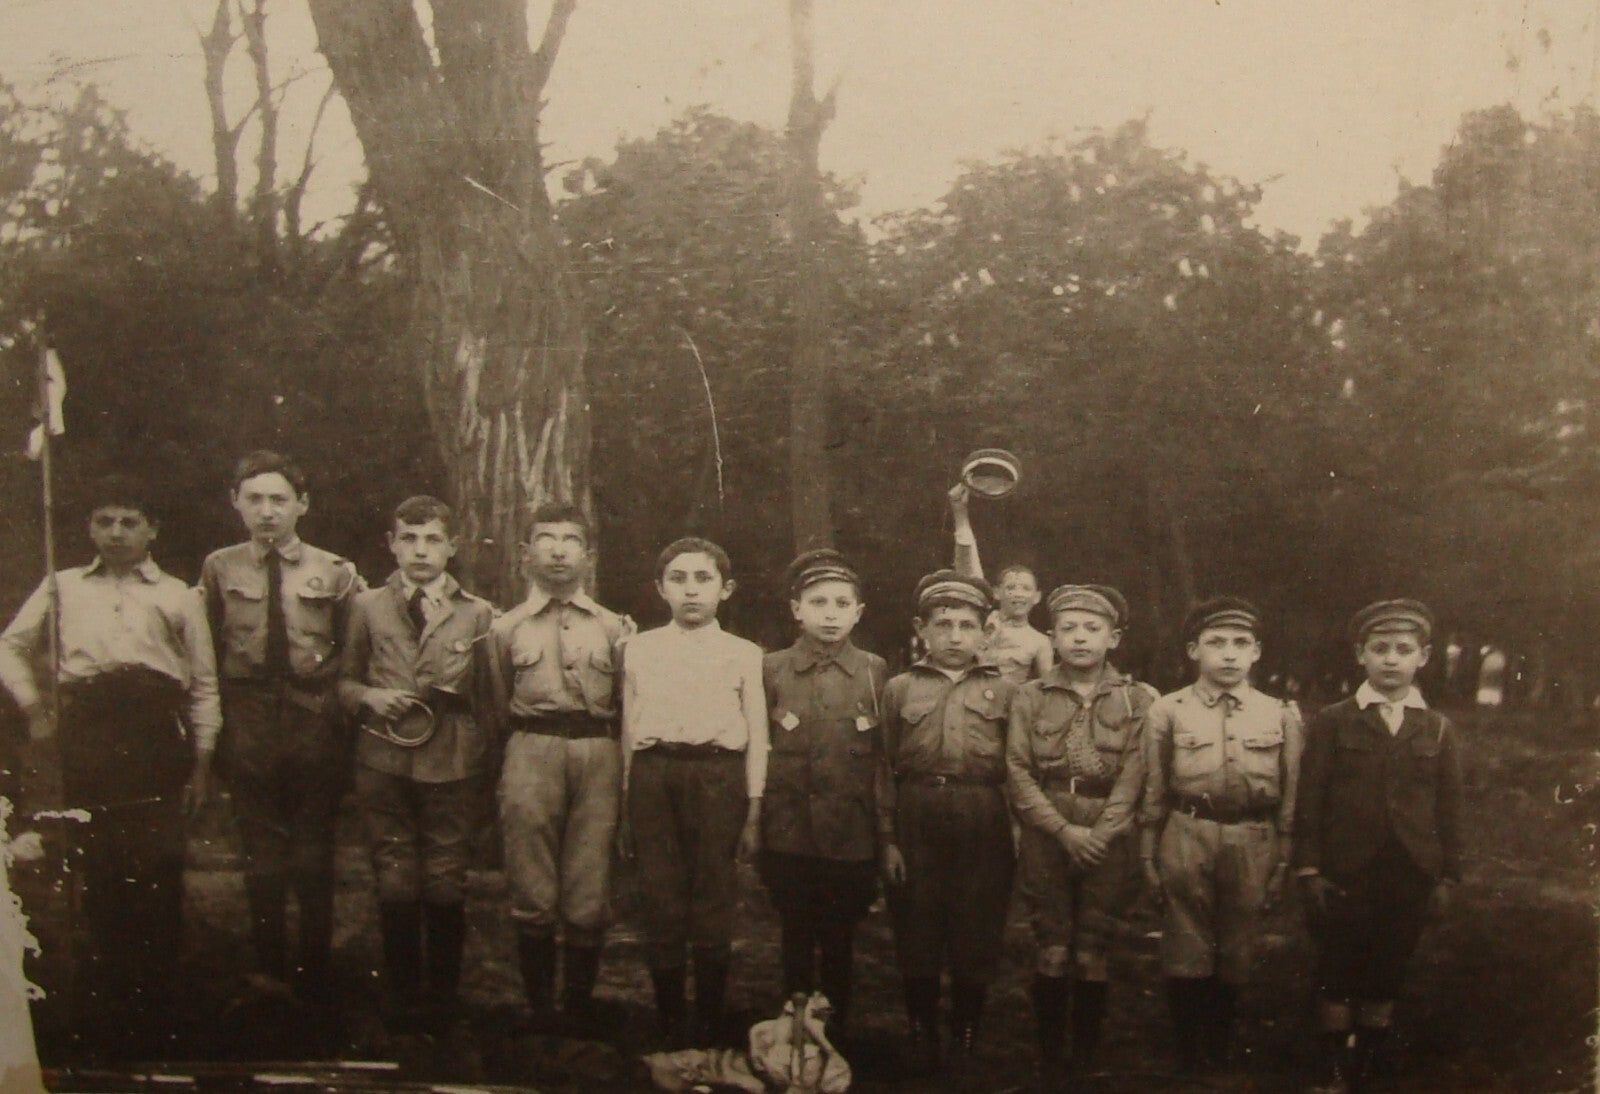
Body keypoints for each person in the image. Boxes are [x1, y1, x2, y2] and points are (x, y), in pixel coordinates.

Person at [0, 477, 220, 1053]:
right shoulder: (62, 585)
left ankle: (157, 1014)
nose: (116, 533)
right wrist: (33, 707)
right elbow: (9, 645)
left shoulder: (178, 595)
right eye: (104, 521)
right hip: (90, 740)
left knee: (156, 875)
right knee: (96, 874)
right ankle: (100, 1015)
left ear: (152, 530)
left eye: (129, 521)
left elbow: (203, 686)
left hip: (154, 742)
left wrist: (201, 763)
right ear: (89, 528)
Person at [200, 450, 363, 1000]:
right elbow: (208, 646)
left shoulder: (335, 570)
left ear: (302, 505)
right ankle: (270, 973)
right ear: (235, 503)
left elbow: (354, 651)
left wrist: (331, 714)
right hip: (247, 719)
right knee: (262, 854)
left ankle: (314, 975)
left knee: (314, 851)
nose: (267, 512)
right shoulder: (220, 567)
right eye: (255, 500)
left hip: (313, 717)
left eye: (279, 500)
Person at [337, 495, 497, 1030]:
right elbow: (343, 682)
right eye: (409, 538)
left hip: (452, 760)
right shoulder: (366, 606)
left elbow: (489, 699)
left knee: (447, 878)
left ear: (452, 547)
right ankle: (403, 1000)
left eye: (432, 539)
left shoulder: (477, 612)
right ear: (391, 544)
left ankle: (444, 1000)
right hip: (383, 759)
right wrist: (371, 698)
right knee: (396, 876)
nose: (420, 550)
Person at [1295, 600, 1462, 1092]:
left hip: (1408, 869)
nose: (1391, 660)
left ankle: (1368, 1062)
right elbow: (1311, 799)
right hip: (1346, 869)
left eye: (1404, 650)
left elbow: (1450, 806)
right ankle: (1332, 1069)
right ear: (1360, 656)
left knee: (1389, 962)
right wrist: (1309, 868)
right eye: (1380, 649)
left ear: (1424, 658)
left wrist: (1447, 873)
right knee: (1338, 963)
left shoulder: (1436, 727)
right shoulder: (1334, 720)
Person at [1138, 596, 1303, 1073]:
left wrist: (1284, 859)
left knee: (1237, 945)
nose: (1228, 654)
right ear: (1194, 650)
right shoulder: (1167, 711)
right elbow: (1153, 788)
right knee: (1186, 941)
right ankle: (1188, 1051)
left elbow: (1290, 794)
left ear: (1256, 653)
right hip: (1187, 831)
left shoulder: (1280, 714)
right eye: (1216, 643)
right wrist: (1148, 856)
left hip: (1254, 836)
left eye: (1240, 644)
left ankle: (1218, 1046)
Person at [1006, 584, 1156, 1078]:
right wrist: (1062, 830)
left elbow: (1136, 773)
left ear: (1114, 638)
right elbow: (1018, 769)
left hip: (1108, 833)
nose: (1080, 639)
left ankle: (1086, 1057)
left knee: (1093, 945)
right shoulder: (1029, 696)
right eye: (1068, 629)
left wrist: (1101, 832)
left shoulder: (1138, 699)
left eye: (1093, 630)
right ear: (1051, 637)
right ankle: (1050, 1058)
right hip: (1048, 829)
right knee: (1052, 942)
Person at [621, 537, 767, 1044]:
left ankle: (707, 1014)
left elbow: (758, 733)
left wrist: (753, 805)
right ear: (660, 589)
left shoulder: (744, 654)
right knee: (659, 890)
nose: (690, 591)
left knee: (713, 891)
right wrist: (625, 800)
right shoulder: (638, 648)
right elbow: (628, 727)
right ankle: (666, 1015)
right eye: (678, 580)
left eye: (703, 579)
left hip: (718, 776)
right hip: (654, 773)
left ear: (725, 590)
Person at [490, 502, 630, 1028]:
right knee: (532, 882)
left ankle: (577, 1009)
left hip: (598, 752)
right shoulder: (505, 629)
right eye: (544, 540)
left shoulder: (615, 629)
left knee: (588, 886)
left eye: (570, 540)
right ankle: (539, 1010)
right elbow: (496, 700)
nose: (557, 550)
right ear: (525, 555)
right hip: (531, 747)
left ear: (589, 556)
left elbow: (623, 701)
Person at [877, 569, 1015, 1071]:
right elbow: (883, 767)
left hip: (983, 814)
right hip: (917, 813)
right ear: (922, 629)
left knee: (976, 922)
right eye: (942, 625)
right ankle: (920, 1026)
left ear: (985, 631)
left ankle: (967, 1028)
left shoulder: (1007, 691)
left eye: (966, 625)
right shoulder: (899, 688)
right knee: (917, 921)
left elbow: (1018, 766)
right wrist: (889, 839)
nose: (954, 636)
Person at [759, 549, 888, 1036]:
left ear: (858, 612)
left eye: (841, 603)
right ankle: (792, 1024)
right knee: (795, 927)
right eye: (818, 602)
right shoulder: (771, 669)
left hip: (849, 831)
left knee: (839, 932)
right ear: (796, 610)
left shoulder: (875, 671)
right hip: (788, 827)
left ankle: (835, 1027)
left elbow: (880, 755)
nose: (830, 614)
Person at [949, 484, 1051, 684]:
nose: (1018, 594)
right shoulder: (983, 621)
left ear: (1037, 597)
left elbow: (1047, 691)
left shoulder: (1040, 642)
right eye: (1010, 588)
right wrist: (959, 512)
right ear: (996, 592)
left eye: (1025, 588)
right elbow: (968, 570)